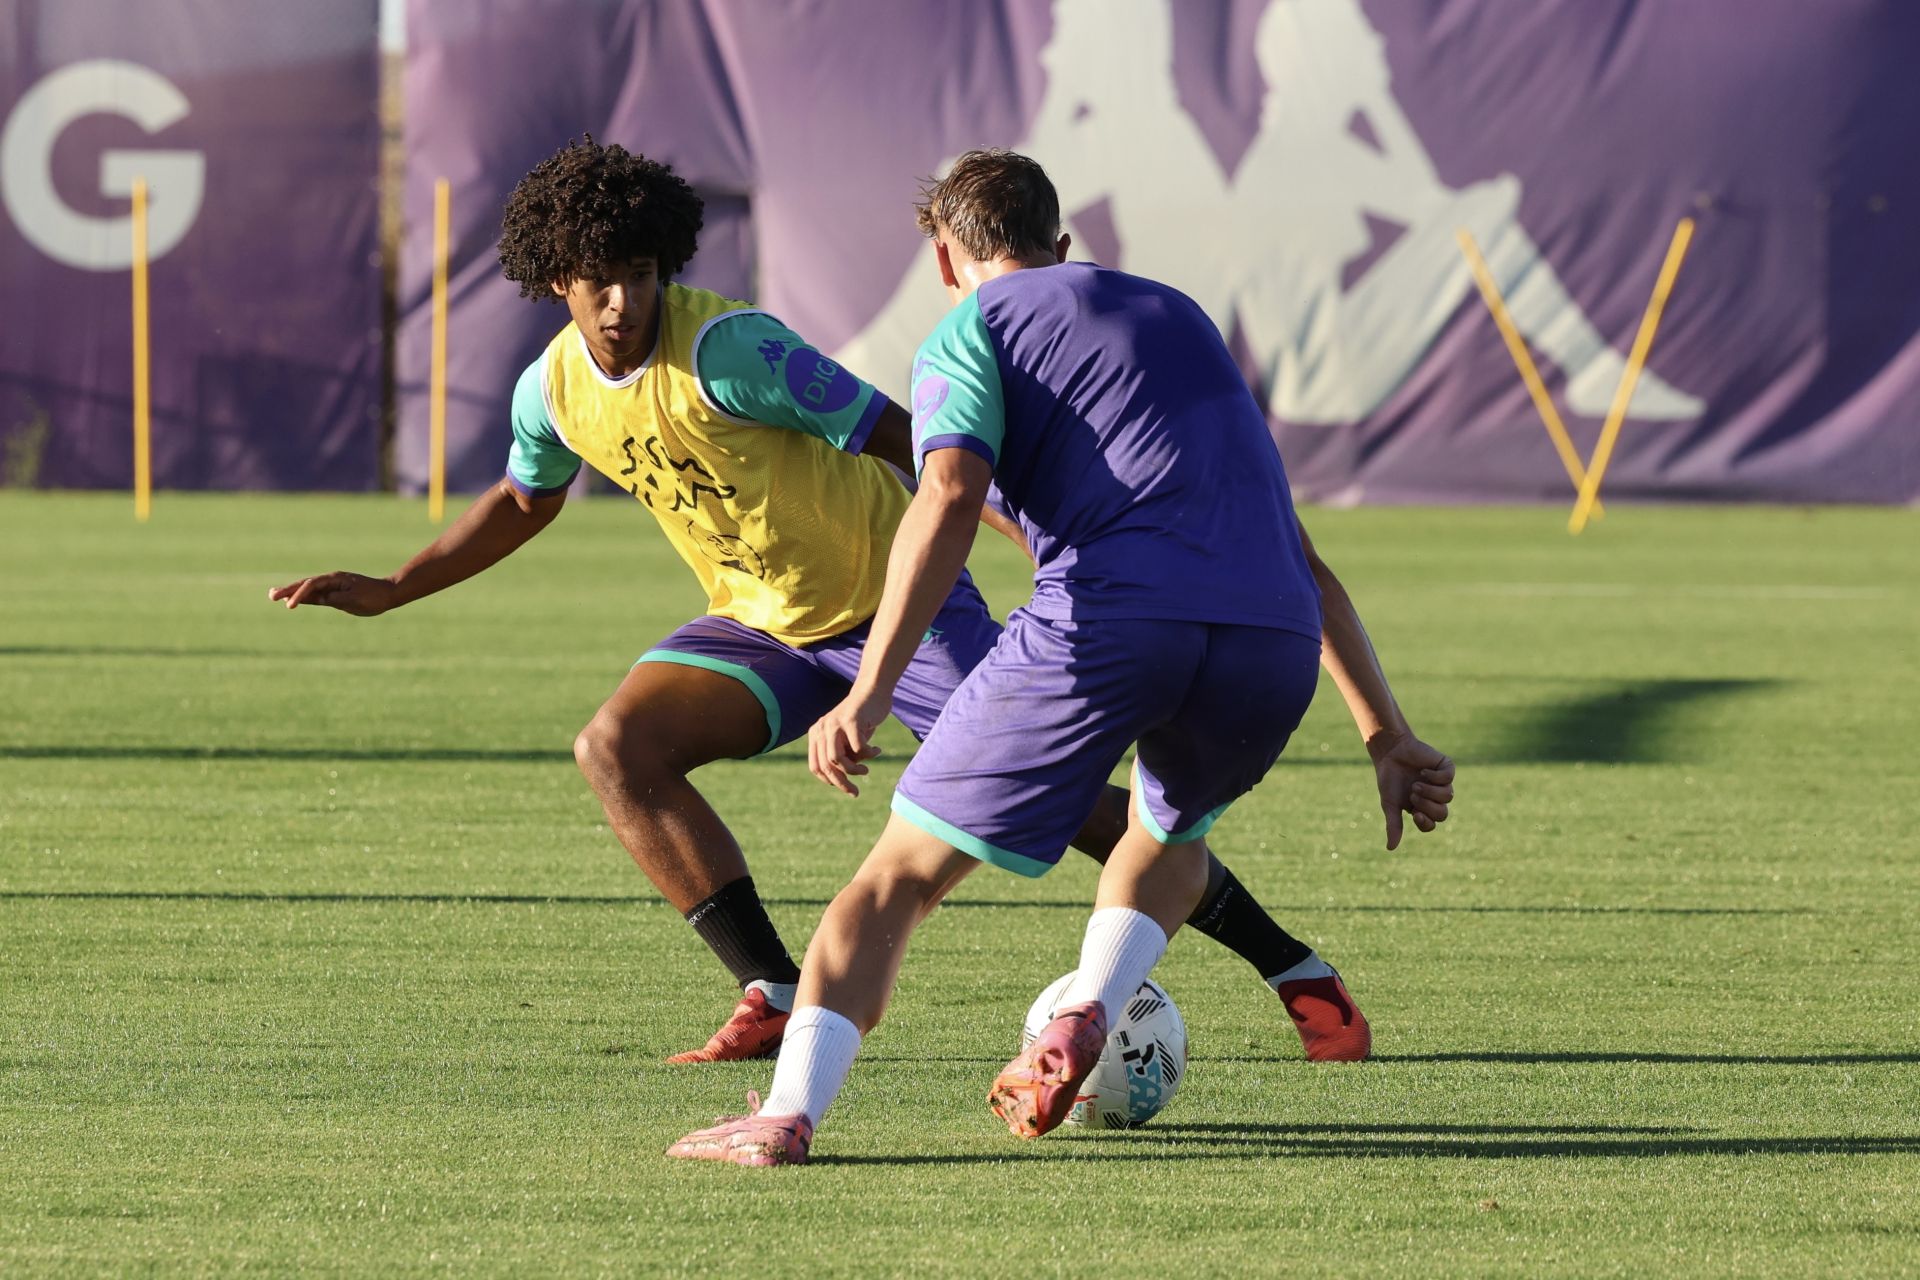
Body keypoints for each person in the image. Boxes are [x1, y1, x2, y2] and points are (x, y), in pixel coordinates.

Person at [267, 137, 1375, 1065]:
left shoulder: (733, 350)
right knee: (617, 747)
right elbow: (522, 499)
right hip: (765, 623)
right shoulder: (551, 387)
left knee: (1072, 803)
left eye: (642, 271)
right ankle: (770, 987)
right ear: (557, 277)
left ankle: (1291, 962)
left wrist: (1046, 540)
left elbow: (913, 441)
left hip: (897, 607)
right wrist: (395, 587)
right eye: (600, 276)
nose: (623, 297)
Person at [667, 149, 1454, 1168]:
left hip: (1110, 619)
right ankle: (1088, 1004)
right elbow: (1300, 554)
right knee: (1167, 835)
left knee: (898, 878)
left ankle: (784, 1113)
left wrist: (869, 687)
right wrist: (1385, 733)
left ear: (947, 257)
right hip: (1271, 641)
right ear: (1062, 245)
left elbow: (946, 495)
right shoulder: (1178, 317)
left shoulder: (969, 329)